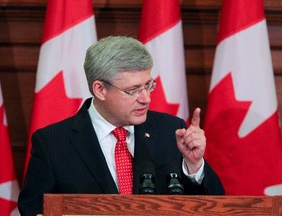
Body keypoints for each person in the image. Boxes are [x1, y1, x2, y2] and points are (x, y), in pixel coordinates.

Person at [18, 36, 224, 215]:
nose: (146, 99)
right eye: (133, 90)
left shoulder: (171, 131)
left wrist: (194, 166)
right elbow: (32, 210)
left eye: (148, 86)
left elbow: (215, 205)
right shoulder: (53, 143)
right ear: (100, 89)